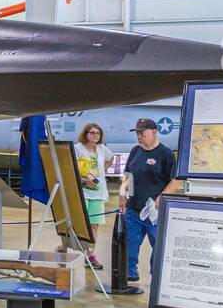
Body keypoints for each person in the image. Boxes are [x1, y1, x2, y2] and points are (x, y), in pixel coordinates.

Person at [119, 117, 179, 283]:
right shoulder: (135, 151)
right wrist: (122, 194)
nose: (139, 136)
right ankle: (130, 273)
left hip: (154, 212)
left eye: (142, 133)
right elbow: (128, 174)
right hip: (133, 210)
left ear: (154, 132)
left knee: (158, 246)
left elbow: (176, 179)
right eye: (137, 133)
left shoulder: (165, 154)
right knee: (130, 244)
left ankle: (157, 275)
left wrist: (162, 197)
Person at [73, 122, 113, 269]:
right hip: (82, 192)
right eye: (92, 133)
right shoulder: (77, 148)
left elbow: (111, 158)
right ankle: (66, 248)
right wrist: (84, 180)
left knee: (94, 226)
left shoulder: (101, 149)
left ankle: (90, 256)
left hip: (98, 193)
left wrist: (102, 170)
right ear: (85, 134)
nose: (95, 135)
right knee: (78, 225)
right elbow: (71, 168)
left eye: (98, 133)